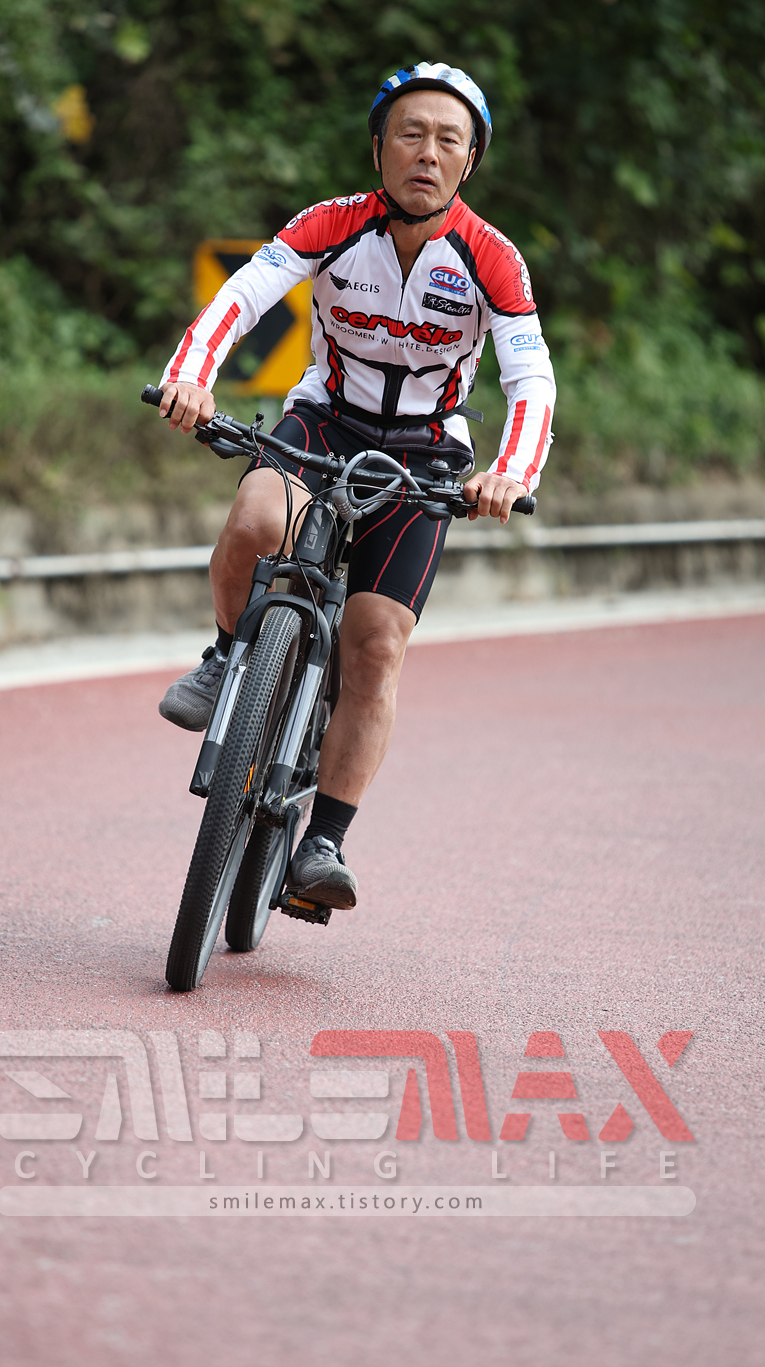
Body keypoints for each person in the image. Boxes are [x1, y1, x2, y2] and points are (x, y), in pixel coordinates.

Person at [155, 62, 556, 911]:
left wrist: (510, 473)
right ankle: (226, 655)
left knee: (375, 645)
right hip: (325, 421)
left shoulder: (493, 258)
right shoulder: (333, 223)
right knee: (256, 520)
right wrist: (192, 375)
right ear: (379, 148)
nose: (427, 153)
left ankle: (324, 841)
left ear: (470, 161)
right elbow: (243, 297)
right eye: (410, 134)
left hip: (426, 455)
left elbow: (531, 379)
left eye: (448, 140)